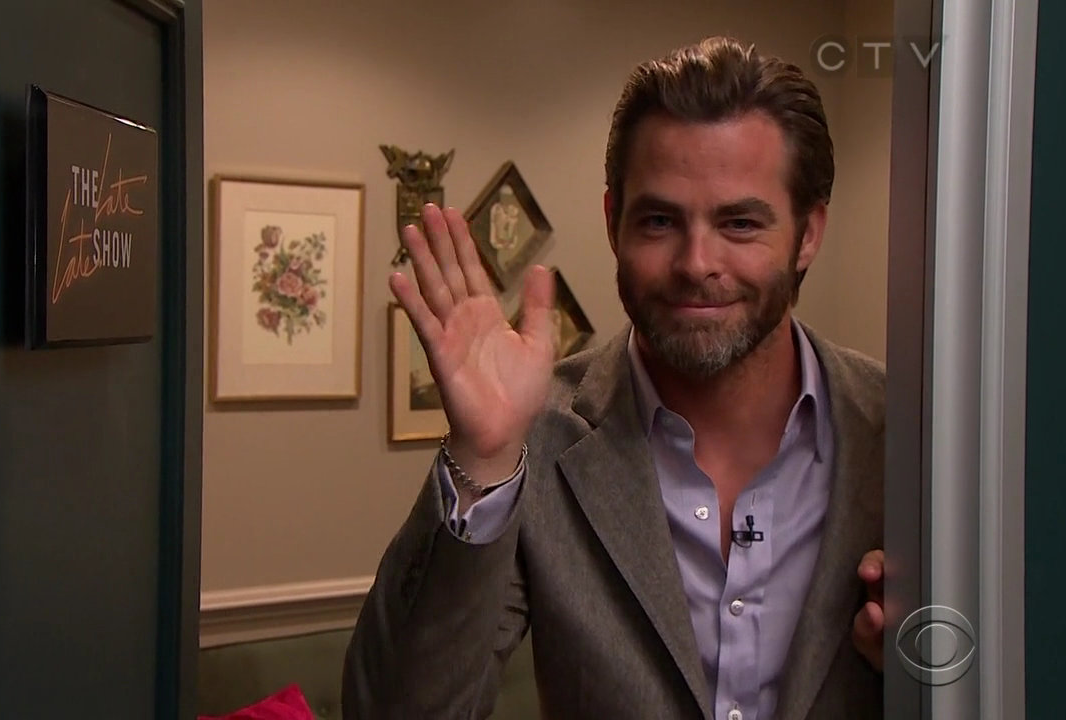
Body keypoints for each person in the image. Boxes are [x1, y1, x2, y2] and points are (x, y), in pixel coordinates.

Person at [344, 36, 886, 720]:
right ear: (613, 224)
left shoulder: (905, 432)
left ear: (807, 234)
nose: (696, 262)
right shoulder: (537, 440)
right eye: (660, 221)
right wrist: (482, 457)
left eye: (740, 223)